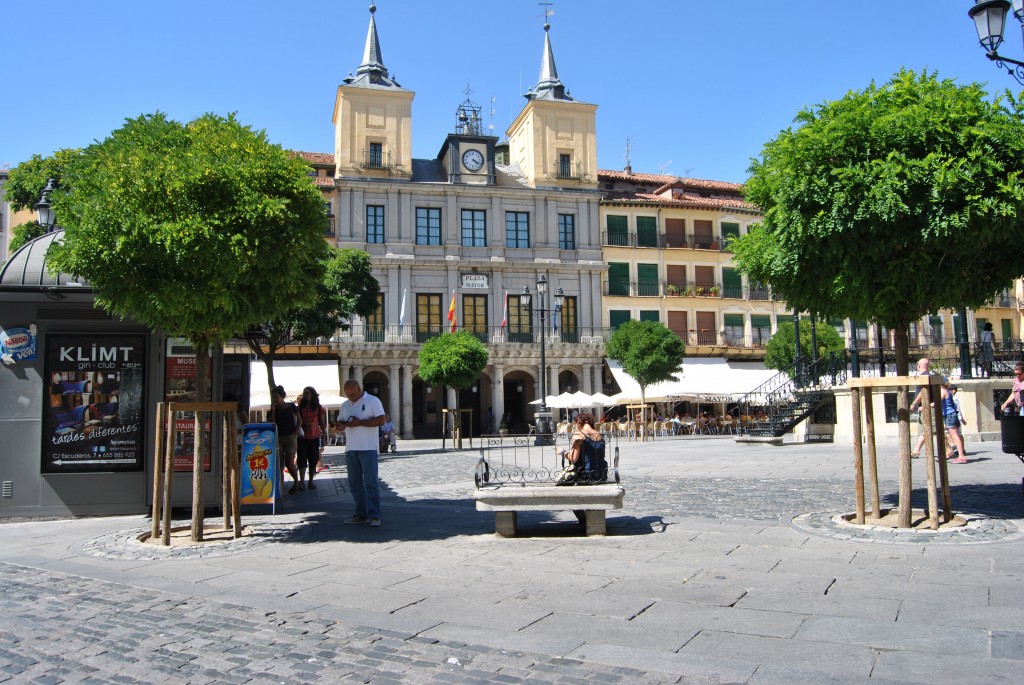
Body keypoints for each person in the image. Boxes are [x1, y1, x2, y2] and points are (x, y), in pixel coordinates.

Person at [336, 379, 386, 526]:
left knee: (371, 482)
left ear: (360, 389)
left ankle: (375, 515)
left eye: (353, 394)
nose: (351, 397)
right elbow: (341, 423)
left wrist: (361, 423)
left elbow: (382, 420)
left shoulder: (372, 401)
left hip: (368, 447)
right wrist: (339, 425)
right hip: (351, 448)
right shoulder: (345, 405)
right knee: (354, 483)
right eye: (348, 395)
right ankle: (360, 513)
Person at [557, 412, 605, 484]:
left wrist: (562, 452)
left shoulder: (579, 434)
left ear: (578, 422)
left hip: (586, 475)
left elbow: (573, 458)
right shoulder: (599, 435)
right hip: (602, 474)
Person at [269, 385, 301, 494]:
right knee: (280, 464)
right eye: (273, 397)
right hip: (279, 437)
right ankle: (281, 486)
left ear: (282, 396)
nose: (275, 399)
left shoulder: (291, 406)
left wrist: (295, 433)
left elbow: (300, 420)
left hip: (290, 437)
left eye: (276, 397)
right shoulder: (274, 408)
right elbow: (273, 423)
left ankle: (296, 481)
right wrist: (273, 411)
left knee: (289, 463)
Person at [297, 386, 327, 489]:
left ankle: (311, 481)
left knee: (313, 460)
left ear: (313, 395)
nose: (305, 395)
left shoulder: (319, 408)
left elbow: (322, 423)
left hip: (314, 437)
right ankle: (301, 482)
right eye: (304, 393)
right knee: (301, 460)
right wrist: (304, 425)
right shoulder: (300, 407)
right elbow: (297, 423)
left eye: (307, 393)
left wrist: (323, 437)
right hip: (302, 437)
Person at [909, 358, 935, 459]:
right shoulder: (928, 376)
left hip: (927, 408)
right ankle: (916, 450)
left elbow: (922, 392)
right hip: (923, 408)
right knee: (923, 431)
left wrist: (914, 403)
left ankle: (949, 448)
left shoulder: (925, 377)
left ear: (919, 366)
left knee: (930, 430)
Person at [941, 381, 967, 464]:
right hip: (951, 415)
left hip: (949, 415)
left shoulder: (943, 391)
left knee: (955, 436)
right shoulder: (948, 392)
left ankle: (961, 456)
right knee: (953, 435)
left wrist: (925, 406)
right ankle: (957, 452)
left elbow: (937, 402)